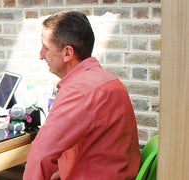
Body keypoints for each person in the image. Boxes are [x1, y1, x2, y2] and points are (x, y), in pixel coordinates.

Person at [23, 11, 141, 179]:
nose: (41, 55)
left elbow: (41, 154)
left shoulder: (78, 91)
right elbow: (98, 147)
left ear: (67, 53)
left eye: (45, 48)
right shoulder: (108, 81)